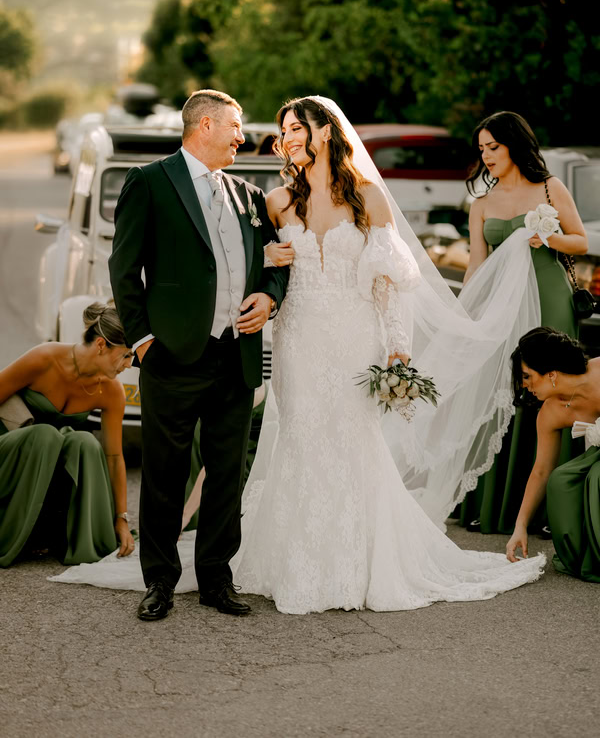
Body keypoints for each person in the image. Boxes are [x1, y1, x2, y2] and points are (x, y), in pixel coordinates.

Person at [229, 96, 546, 613]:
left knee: (353, 441)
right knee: (302, 437)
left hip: (356, 335)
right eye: (283, 131)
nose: (285, 139)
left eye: (293, 129)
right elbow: (261, 271)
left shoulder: (369, 197)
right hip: (299, 335)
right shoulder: (278, 201)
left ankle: (360, 563)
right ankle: (297, 562)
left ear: (324, 132)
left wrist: (398, 348)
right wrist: (266, 256)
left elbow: (391, 284)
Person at [108, 89, 288, 622]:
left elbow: (276, 262)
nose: (242, 136)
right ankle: (160, 582)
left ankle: (215, 579)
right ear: (204, 125)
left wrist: (270, 296)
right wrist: (142, 342)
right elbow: (125, 269)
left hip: (234, 356)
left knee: (226, 474)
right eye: (235, 126)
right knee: (164, 476)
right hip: (173, 355)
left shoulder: (250, 196)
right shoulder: (149, 182)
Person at [456, 112, 588, 535]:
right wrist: (463, 314)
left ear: (515, 144)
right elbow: (476, 264)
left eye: (493, 147)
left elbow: (581, 242)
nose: (487, 156)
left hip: (551, 300)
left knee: (556, 390)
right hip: (502, 306)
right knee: (504, 390)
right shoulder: (481, 204)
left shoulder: (550, 187)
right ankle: (496, 505)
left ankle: (554, 512)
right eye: (481, 149)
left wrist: (547, 237)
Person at [0, 302, 134, 567]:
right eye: (126, 355)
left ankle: (65, 536)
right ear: (100, 345)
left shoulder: (110, 391)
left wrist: (121, 518)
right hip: (9, 455)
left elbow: (114, 457)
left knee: (84, 442)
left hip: (47, 466)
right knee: (46, 436)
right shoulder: (44, 358)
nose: (129, 365)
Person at [506, 328, 600, 582]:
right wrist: (520, 526)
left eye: (527, 376)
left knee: (598, 477)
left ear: (552, 373)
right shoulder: (550, 413)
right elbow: (541, 471)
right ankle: (580, 555)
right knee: (560, 479)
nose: (524, 385)